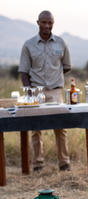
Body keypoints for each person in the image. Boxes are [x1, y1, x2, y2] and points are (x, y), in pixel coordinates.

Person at [18, 10, 71, 172]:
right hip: (35, 91)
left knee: (61, 127)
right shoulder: (29, 44)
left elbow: (67, 67)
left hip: (55, 91)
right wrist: (29, 91)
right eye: (44, 22)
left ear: (53, 23)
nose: (47, 25)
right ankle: (38, 164)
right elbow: (23, 71)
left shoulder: (61, 43)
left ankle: (64, 163)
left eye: (50, 22)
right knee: (36, 129)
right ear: (38, 23)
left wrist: (55, 80)